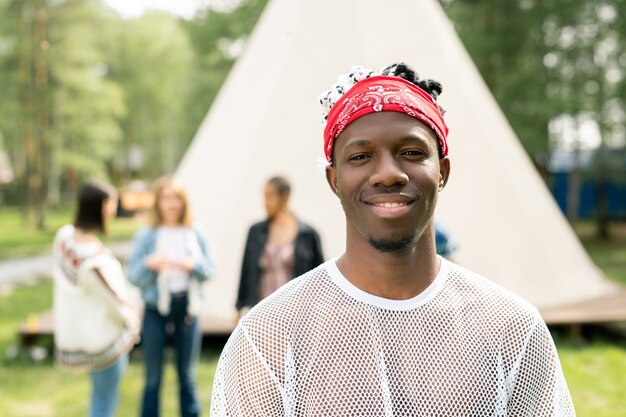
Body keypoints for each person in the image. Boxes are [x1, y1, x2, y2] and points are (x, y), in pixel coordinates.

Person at [210, 63, 576, 416]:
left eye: (412, 152)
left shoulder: (510, 328)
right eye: (361, 156)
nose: (388, 173)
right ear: (334, 180)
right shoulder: (269, 335)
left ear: (443, 170)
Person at [127, 176, 214, 417]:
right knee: (153, 377)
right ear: (158, 202)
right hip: (155, 309)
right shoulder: (147, 235)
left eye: (176, 198)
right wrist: (149, 264)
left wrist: (193, 265)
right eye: (166, 198)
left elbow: (210, 269)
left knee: (187, 376)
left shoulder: (194, 232)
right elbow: (133, 276)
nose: (171, 204)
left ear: (183, 201)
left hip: (187, 309)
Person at [53, 181, 140, 417]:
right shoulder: (95, 261)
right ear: (101, 207)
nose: (114, 209)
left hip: (82, 333)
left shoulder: (64, 238)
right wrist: (133, 324)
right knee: (103, 404)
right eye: (112, 203)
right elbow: (117, 304)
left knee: (98, 399)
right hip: (104, 342)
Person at [236, 176, 324, 317]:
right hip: (262, 314)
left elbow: (320, 280)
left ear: (285, 197)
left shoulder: (308, 235)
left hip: (297, 316)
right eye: (264, 196)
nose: (265, 203)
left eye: (270, 196)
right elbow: (245, 273)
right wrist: (240, 308)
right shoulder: (255, 232)